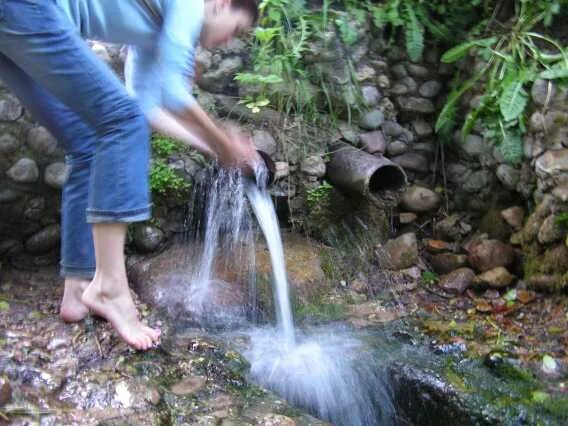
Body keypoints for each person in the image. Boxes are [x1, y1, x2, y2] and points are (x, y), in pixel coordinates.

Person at [0, 0, 260, 351]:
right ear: (221, 4)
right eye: (237, 29)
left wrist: (215, 150)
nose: (230, 42)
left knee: (88, 142)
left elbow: (149, 108)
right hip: (28, 8)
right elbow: (170, 93)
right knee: (120, 123)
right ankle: (109, 286)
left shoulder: (153, 31)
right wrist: (224, 143)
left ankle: (77, 289)